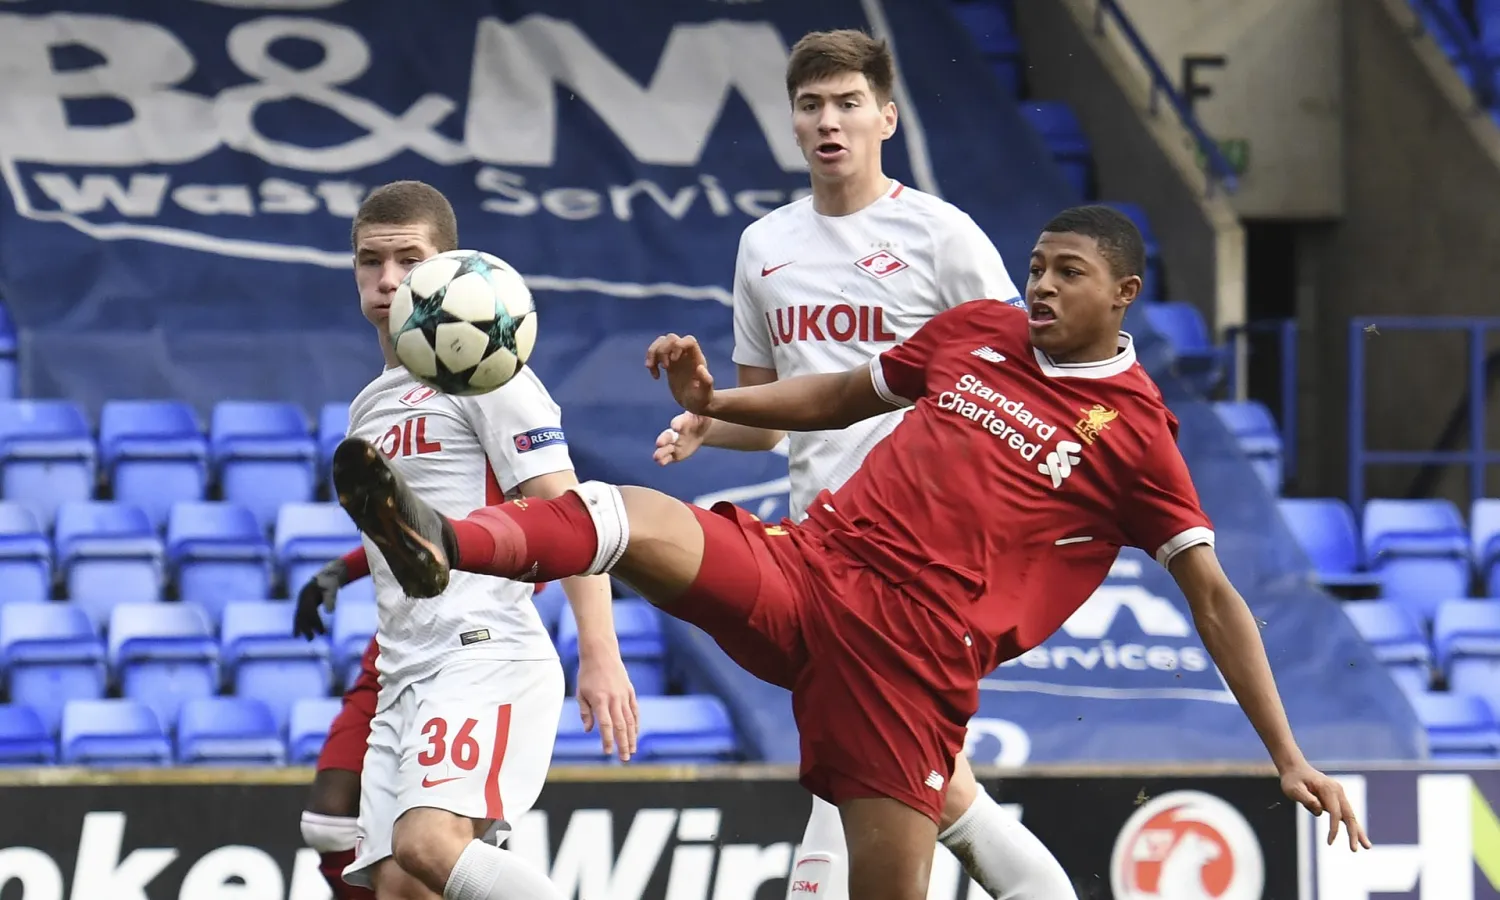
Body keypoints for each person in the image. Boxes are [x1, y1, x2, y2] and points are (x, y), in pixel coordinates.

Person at [327, 205, 1371, 900]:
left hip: (909, 664)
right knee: (626, 513)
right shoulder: (979, 331)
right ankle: (448, 539)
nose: (1041, 287)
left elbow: (1214, 598)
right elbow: (841, 395)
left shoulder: (1136, 436)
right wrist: (719, 402)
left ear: (1125, 293)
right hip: (816, 565)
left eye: (1069, 273)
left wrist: (1286, 754)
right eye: (1037, 268)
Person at [650, 28, 1068, 899]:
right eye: (811, 106)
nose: (829, 121)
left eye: (848, 103)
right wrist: (707, 421)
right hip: (820, 559)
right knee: (929, 786)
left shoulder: (943, 236)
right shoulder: (765, 245)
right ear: (793, 122)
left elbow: (1023, 384)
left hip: (921, 566)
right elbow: (768, 418)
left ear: (887, 117)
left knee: (862, 777)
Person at [299, 180, 639, 900]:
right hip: (403, 673)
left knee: (427, 845)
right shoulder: (368, 406)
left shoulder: (488, 370)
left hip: (482, 654)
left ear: (446, 267)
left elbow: (572, 518)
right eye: (370, 261)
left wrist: (600, 654)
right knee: (400, 884)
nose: (387, 279)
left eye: (408, 259)